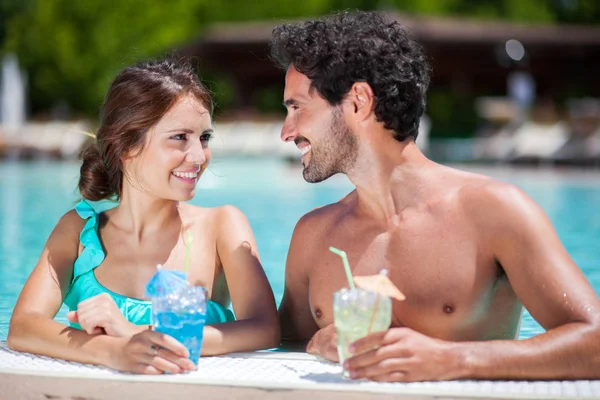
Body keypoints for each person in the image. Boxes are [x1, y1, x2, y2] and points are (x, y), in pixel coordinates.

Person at [271, 11, 600, 382]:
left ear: (359, 101)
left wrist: (453, 359)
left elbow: (594, 342)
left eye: (296, 107)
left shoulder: (492, 212)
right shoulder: (314, 236)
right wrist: (320, 342)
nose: (286, 131)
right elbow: (282, 348)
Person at [7, 58, 279, 374]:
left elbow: (263, 330)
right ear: (126, 146)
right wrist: (111, 351)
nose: (199, 156)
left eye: (204, 138)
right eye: (180, 137)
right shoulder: (78, 230)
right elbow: (23, 326)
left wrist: (133, 333)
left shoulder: (220, 226)